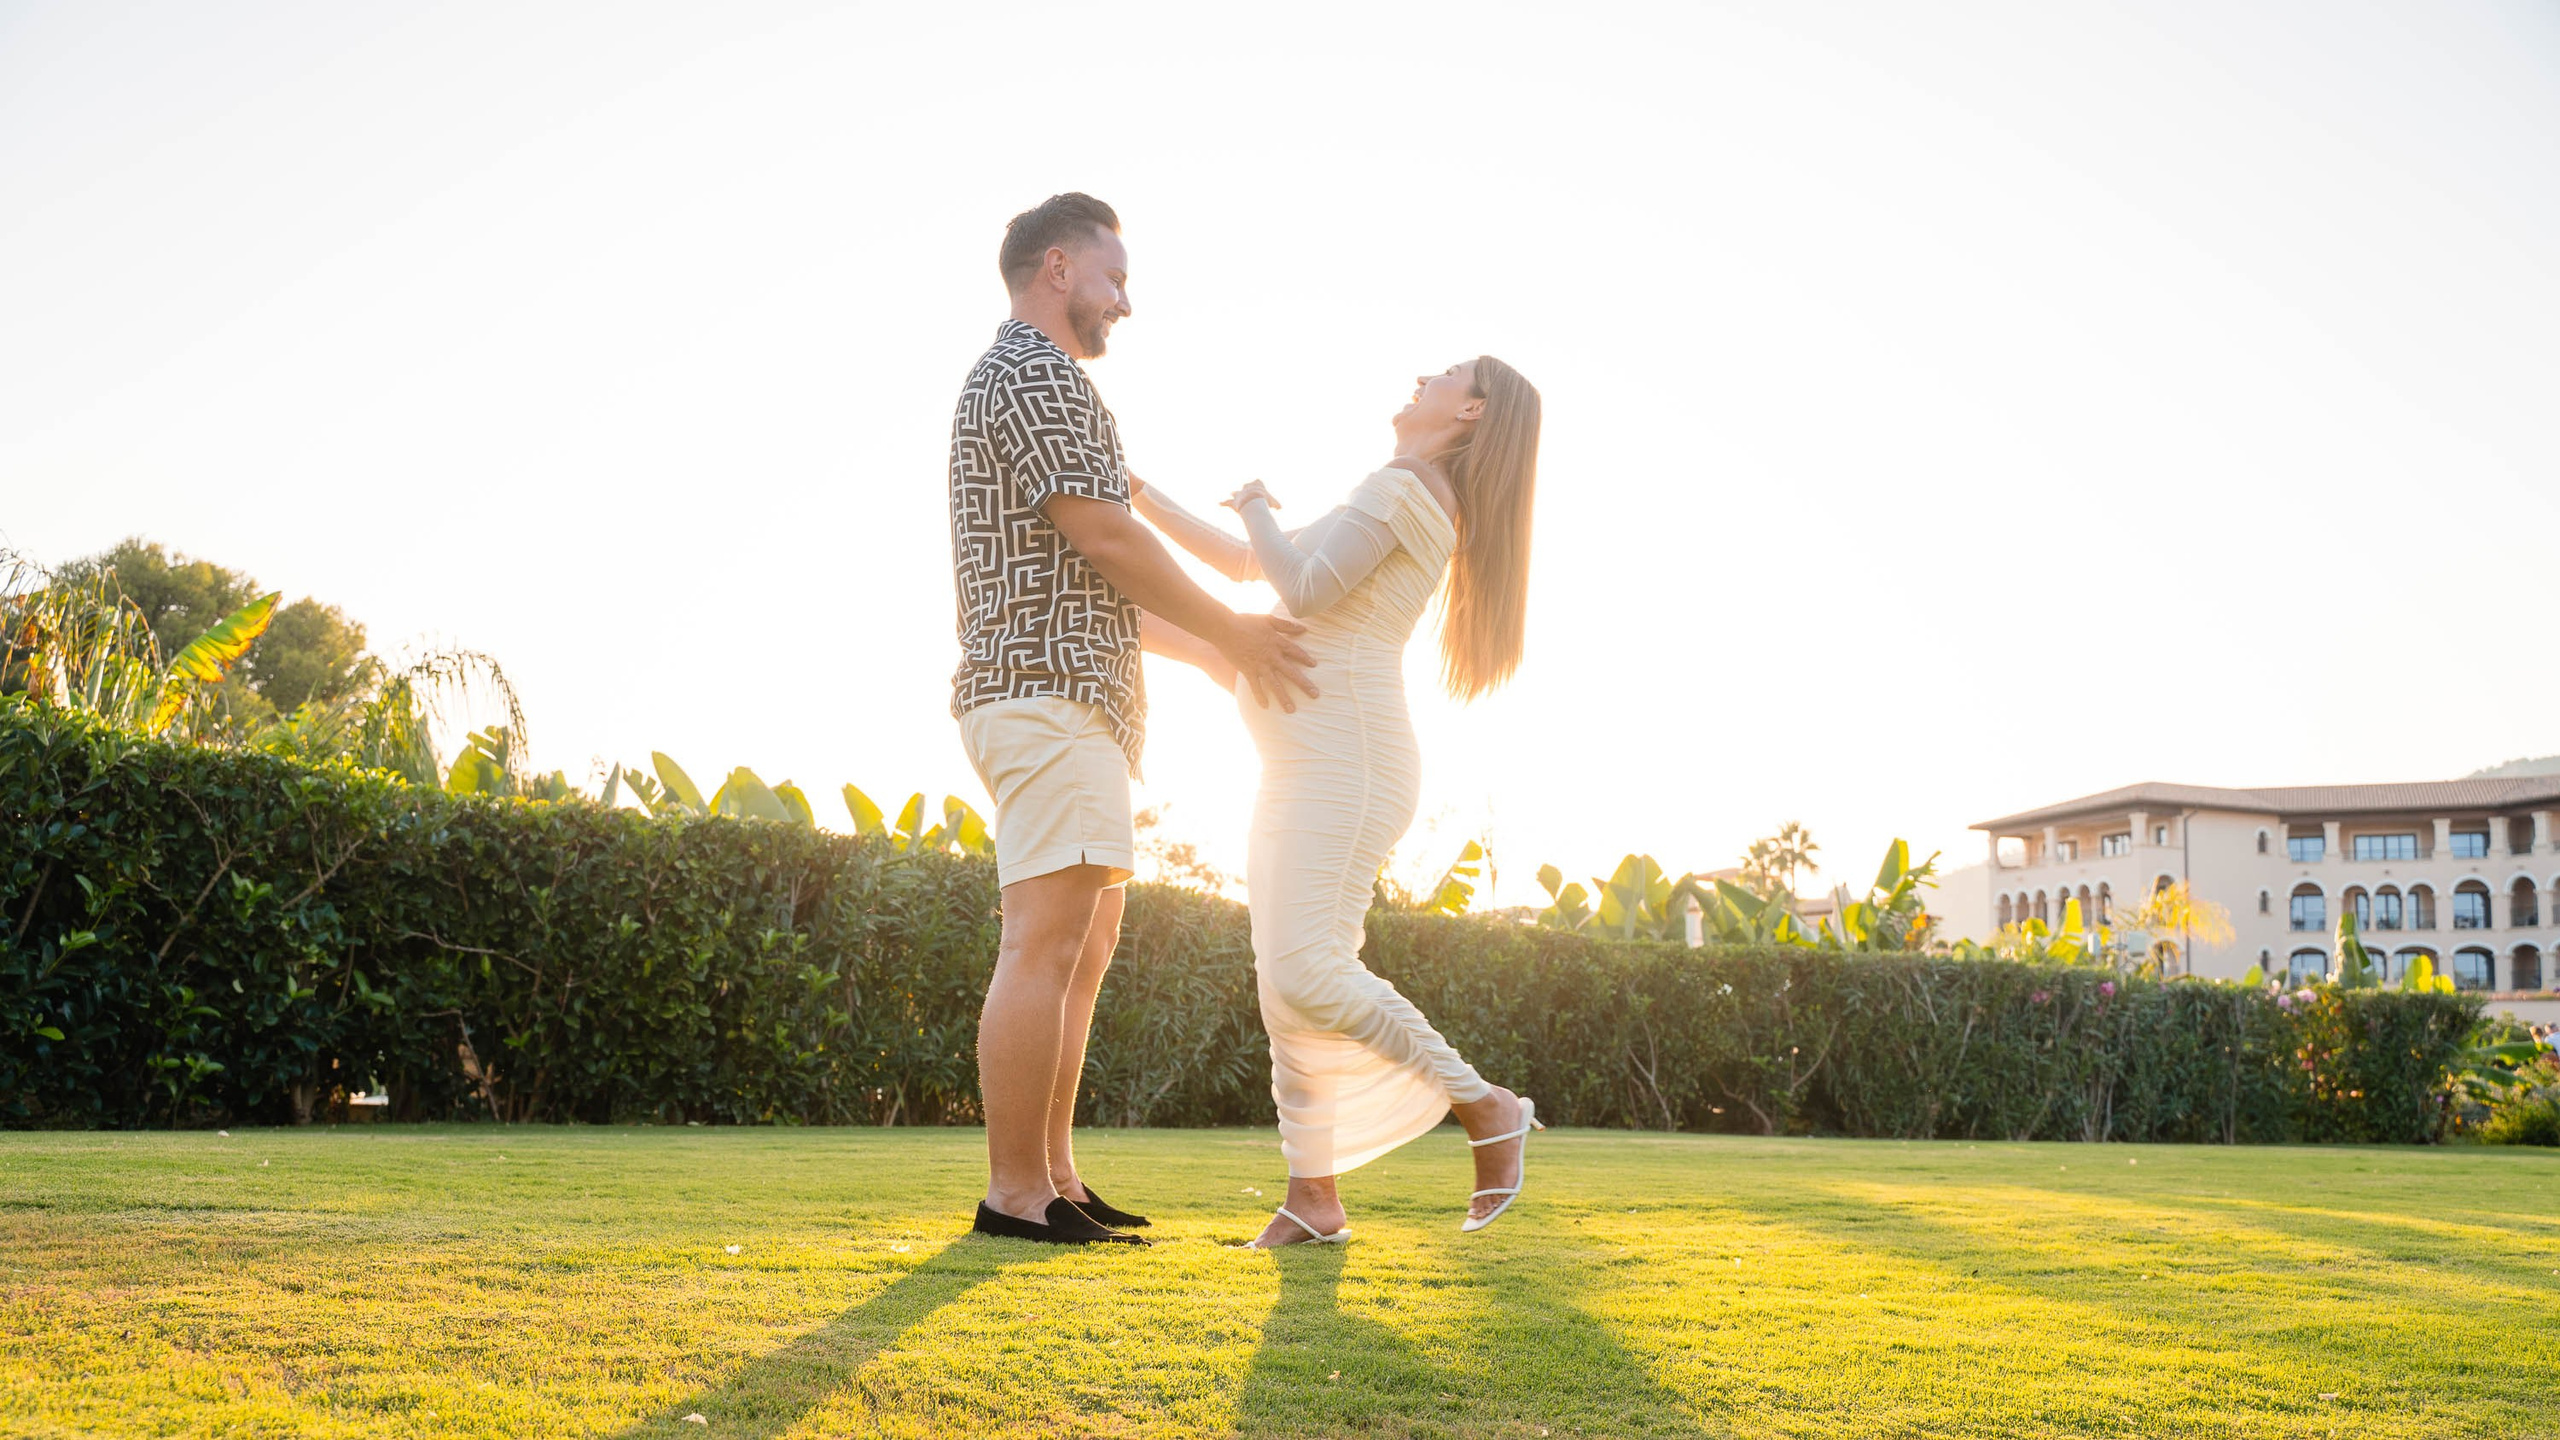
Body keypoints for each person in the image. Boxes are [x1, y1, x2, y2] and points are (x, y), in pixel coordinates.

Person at [948, 193, 1316, 1245]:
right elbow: (1109, 540)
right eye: (1114, 279)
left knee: (1082, 941)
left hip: (1073, 697)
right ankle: (1014, 1194)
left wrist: (1214, 655)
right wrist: (1237, 631)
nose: (1125, 302)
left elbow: (1096, 582)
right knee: (1044, 941)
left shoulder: (1042, 380)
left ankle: (1053, 1177)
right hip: (1044, 697)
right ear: (1056, 268)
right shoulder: (1033, 371)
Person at [1131, 356, 1545, 1246]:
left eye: (1445, 375)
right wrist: (1136, 493)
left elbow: (1301, 587)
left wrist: (1252, 502)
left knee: (1309, 970)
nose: (1422, 377)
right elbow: (1250, 566)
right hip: (1306, 765)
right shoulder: (1404, 486)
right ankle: (1312, 1197)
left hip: (1346, 765)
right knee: (1285, 982)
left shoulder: (1405, 484)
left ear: (1470, 410)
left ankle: (1487, 1107)